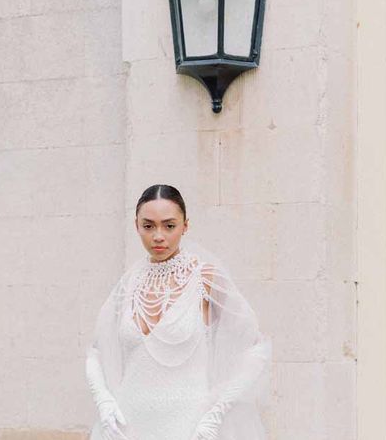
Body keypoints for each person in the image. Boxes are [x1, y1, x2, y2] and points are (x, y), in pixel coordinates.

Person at [86, 184, 270, 440]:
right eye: (148, 226)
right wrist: (104, 400)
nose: (158, 236)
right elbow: (95, 352)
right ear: (136, 226)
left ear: (185, 226)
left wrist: (215, 415)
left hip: (187, 425)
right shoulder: (128, 283)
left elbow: (256, 350)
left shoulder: (204, 278)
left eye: (169, 225)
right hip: (129, 425)